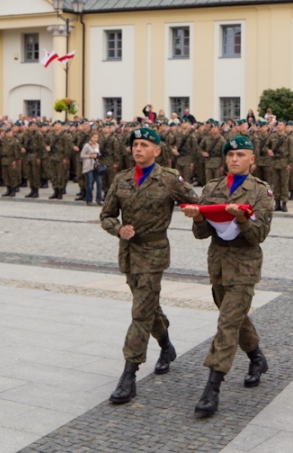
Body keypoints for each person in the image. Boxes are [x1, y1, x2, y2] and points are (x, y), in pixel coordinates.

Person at [100, 127, 199, 405]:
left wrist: (202, 215)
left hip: (154, 254)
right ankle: (167, 347)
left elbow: (195, 203)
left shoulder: (168, 179)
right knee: (148, 305)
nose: (138, 149)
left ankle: (129, 375)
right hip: (129, 253)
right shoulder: (121, 179)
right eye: (135, 145)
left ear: (157, 151)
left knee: (141, 311)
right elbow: (106, 216)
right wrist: (118, 229)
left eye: (144, 145)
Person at [182, 136, 273, 417]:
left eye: (241, 154)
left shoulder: (261, 191)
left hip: (244, 267)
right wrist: (197, 217)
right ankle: (257, 358)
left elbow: (259, 235)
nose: (234, 159)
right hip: (219, 265)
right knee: (235, 317)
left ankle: (212, 388)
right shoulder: (212, 188)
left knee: (226, 324)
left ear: (252, 160)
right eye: (231, 154)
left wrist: (243, 219)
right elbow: (201, 234)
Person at [81, 132, 104, 205]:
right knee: (90, 184)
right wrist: (90, 156)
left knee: (99, 182)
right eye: (94, 137)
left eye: (97, 138)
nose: (96, 139)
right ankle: (89, 200)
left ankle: (99, 199)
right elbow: (82, 155)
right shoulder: (87, 146)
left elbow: (98, 154)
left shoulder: (97, 145)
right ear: (91, 137)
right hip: (88, 166)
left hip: (96, 166)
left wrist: (98, 155)